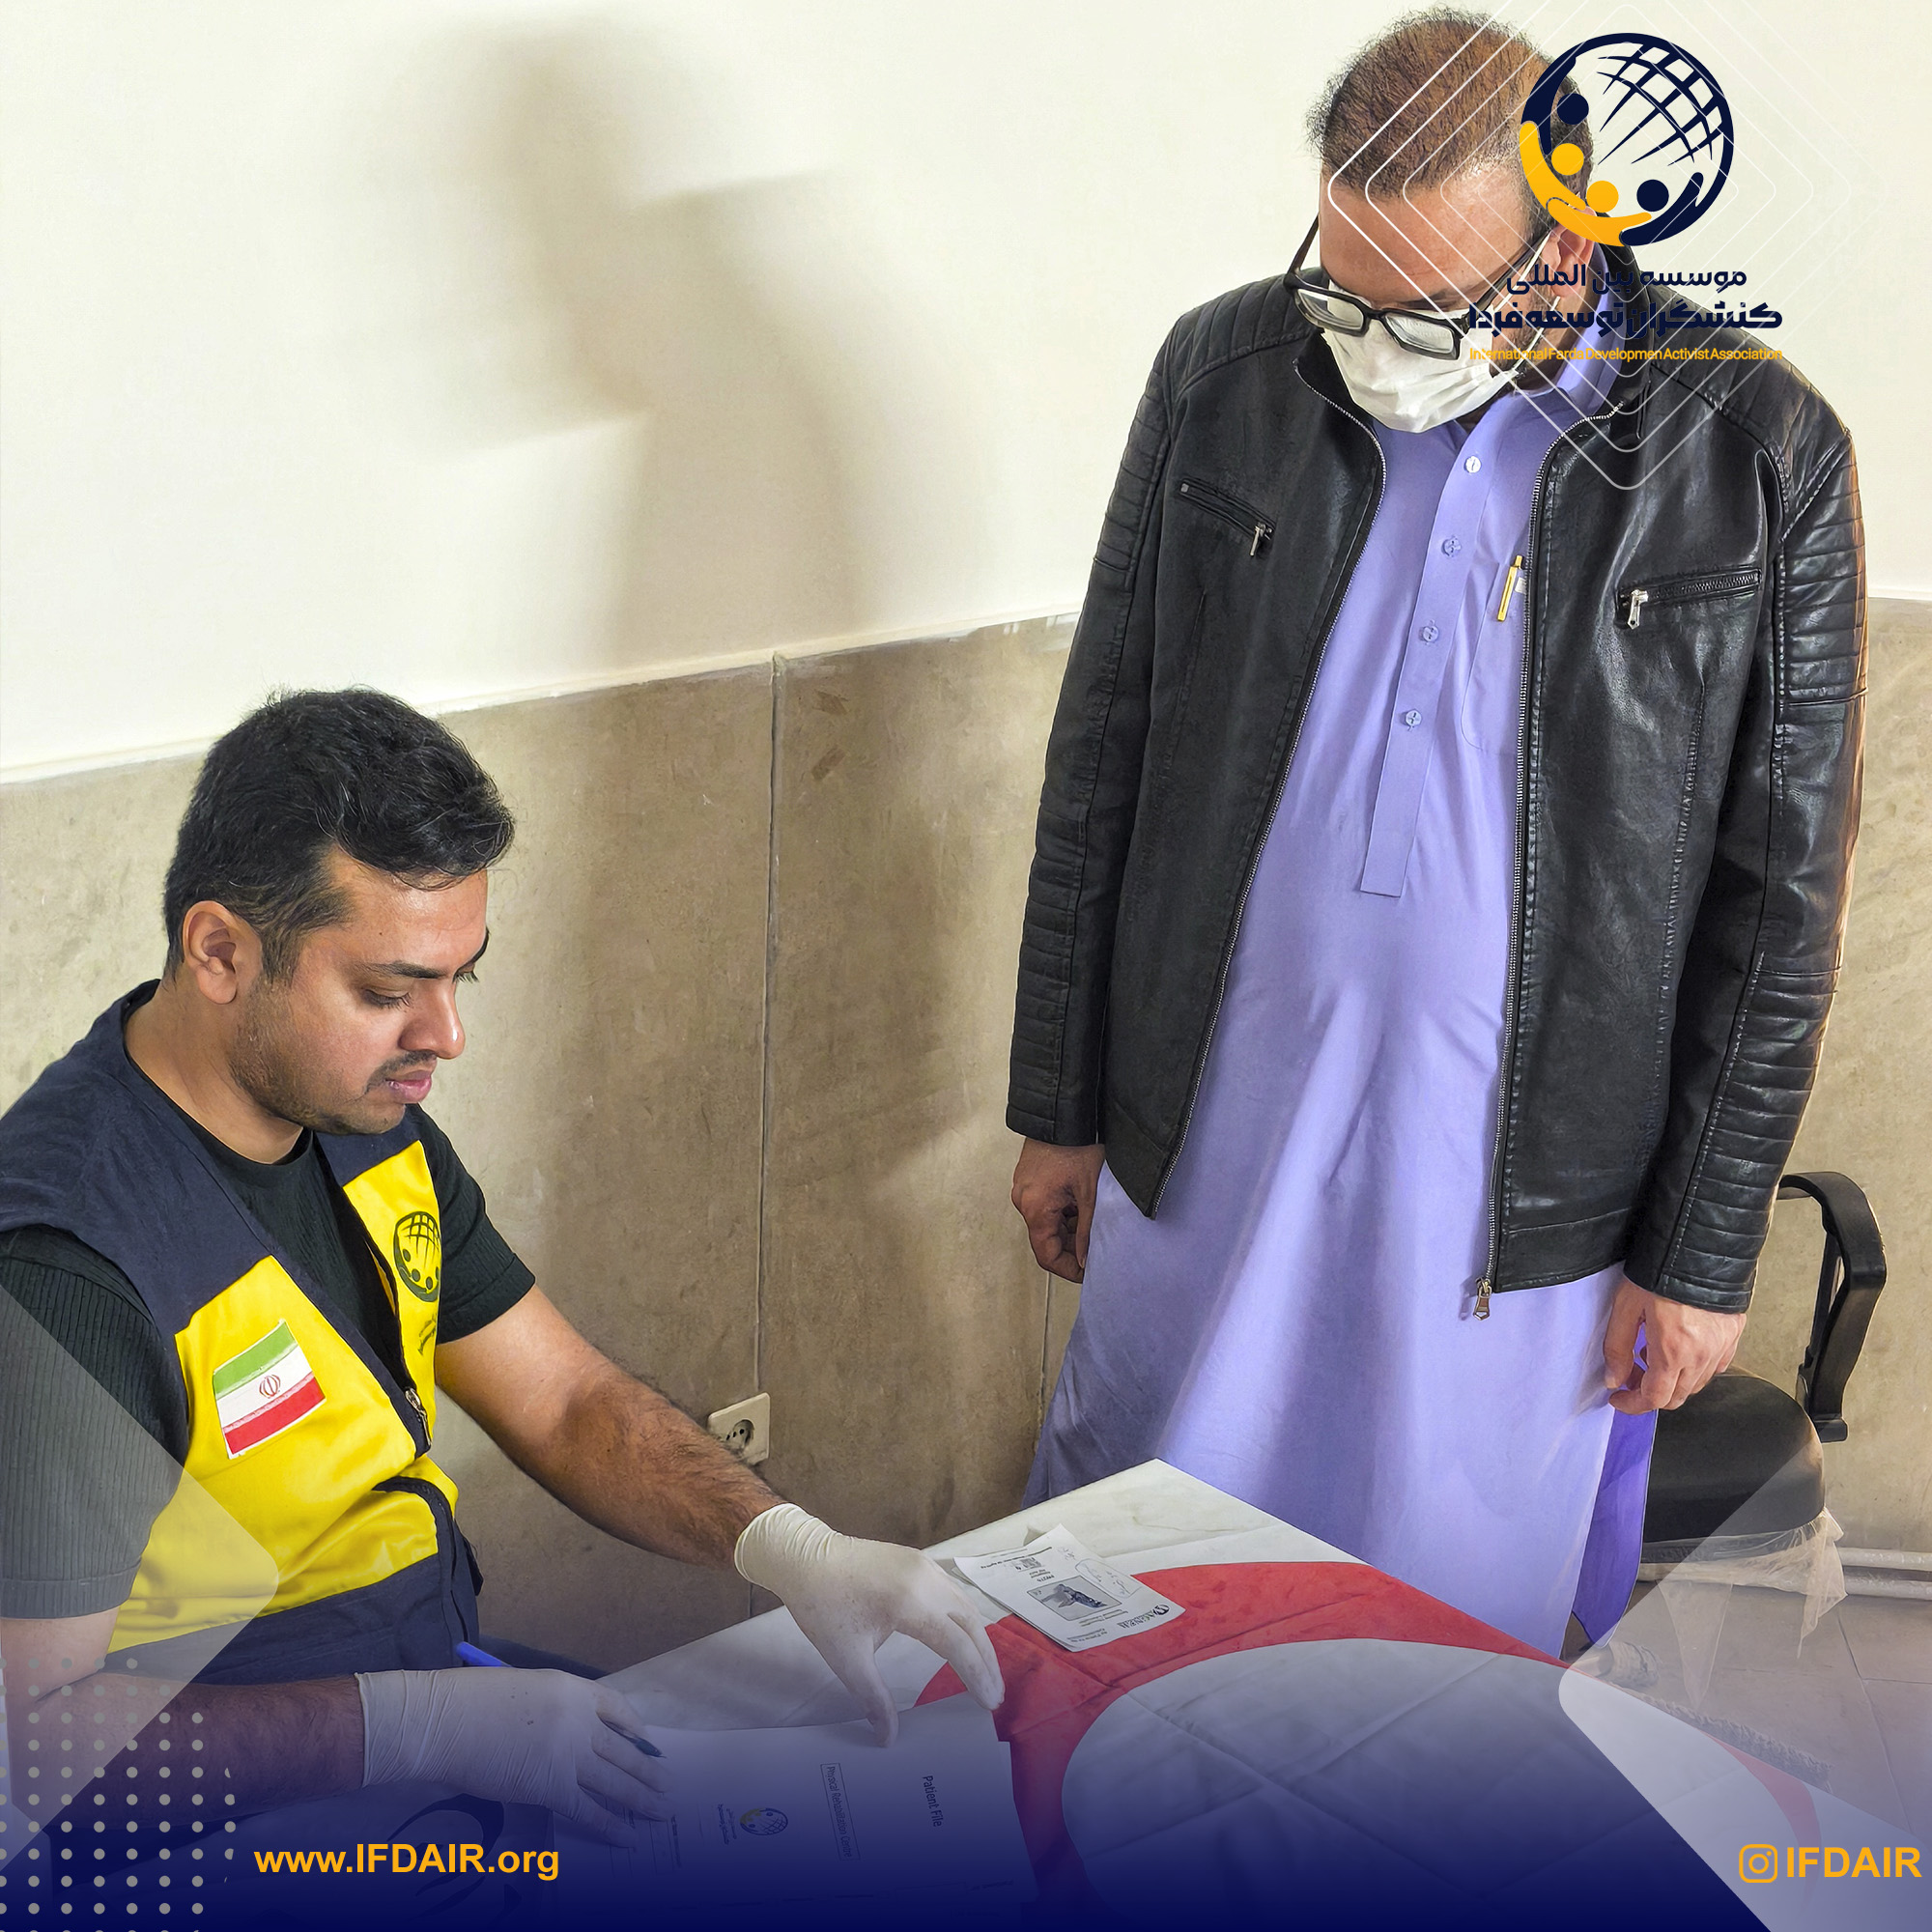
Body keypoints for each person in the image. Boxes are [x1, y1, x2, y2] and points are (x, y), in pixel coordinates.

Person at [1007, 12, 1862, 1655]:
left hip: (1521, 1208)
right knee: (1131, 1597)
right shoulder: (1226, 375)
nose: (1370, 346)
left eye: (1426, 310)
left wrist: (1700, 1252)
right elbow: (1105, 747)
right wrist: (1060, 1101)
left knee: (1429, 1664)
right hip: (1211, 1136)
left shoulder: (1757, 455)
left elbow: (1780, 905)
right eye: (1343, 292)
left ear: (1574, 240)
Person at [0, 688, 1002, 1847]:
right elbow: (41, 1746)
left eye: (457, 978)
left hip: (441, 1695)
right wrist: (416, 1727)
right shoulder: (71, 1272)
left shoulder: (361, 1119)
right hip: (232, 1820)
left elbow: (567, 1401)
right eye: (387, 991)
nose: (444, 1035)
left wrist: (788, 1544)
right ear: (220, 951)